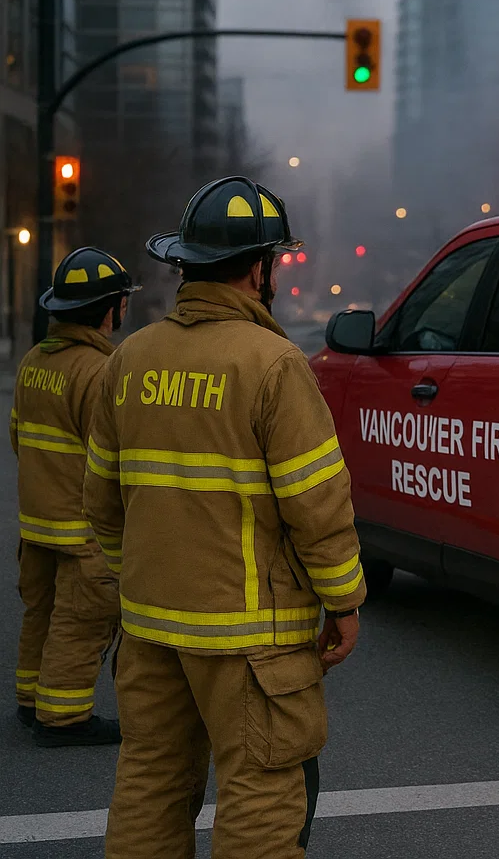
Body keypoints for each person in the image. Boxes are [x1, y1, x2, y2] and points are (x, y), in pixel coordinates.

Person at [84, 177, 367, 859]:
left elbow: (101, 500)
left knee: (150, 782)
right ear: (259, 269)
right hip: (250, 638)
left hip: (151, 626)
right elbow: (318, 505)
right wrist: (343, 601)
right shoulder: (273, 365)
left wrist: (139, 581)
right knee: (261, 795)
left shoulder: (130, 359)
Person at [11, 247, 138, 746]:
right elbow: (112, 459)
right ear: (109, 310)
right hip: (83, 530)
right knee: (81, 621)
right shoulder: (99, 371)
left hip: (36, 522)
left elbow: (18, 438)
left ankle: (30, 700)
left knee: (40, 613)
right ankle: (62, 717)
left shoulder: (32, 362)